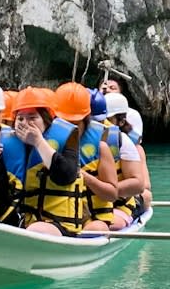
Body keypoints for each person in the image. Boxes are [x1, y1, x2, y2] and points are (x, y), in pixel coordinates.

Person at [0, 87, 97, 235]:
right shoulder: (9, 148)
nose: (25, 123)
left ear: (46, 120)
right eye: (20, 118)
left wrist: (38, 142)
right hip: (20, 224)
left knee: (37, 229)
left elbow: (66, 177)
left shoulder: (67, 139)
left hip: (57, 224)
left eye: (32, 117)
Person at [52, 81, 122, 230]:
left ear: (85, 120)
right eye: (65, 123)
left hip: (92, 219)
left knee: (96, 228)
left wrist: (84, 176)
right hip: (57, 219)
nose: (70, 129)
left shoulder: (101, 147)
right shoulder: (48, 144)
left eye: (75, 123)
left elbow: (112, 194)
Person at [102, 92, 151, 221]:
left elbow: (144, 186)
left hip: (122, 198)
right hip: (99, 197)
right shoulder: (91, 140)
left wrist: (106, 191)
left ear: (121, 121)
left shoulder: (135, 148)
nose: (102, 123)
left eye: (107, 119)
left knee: (145, 195)